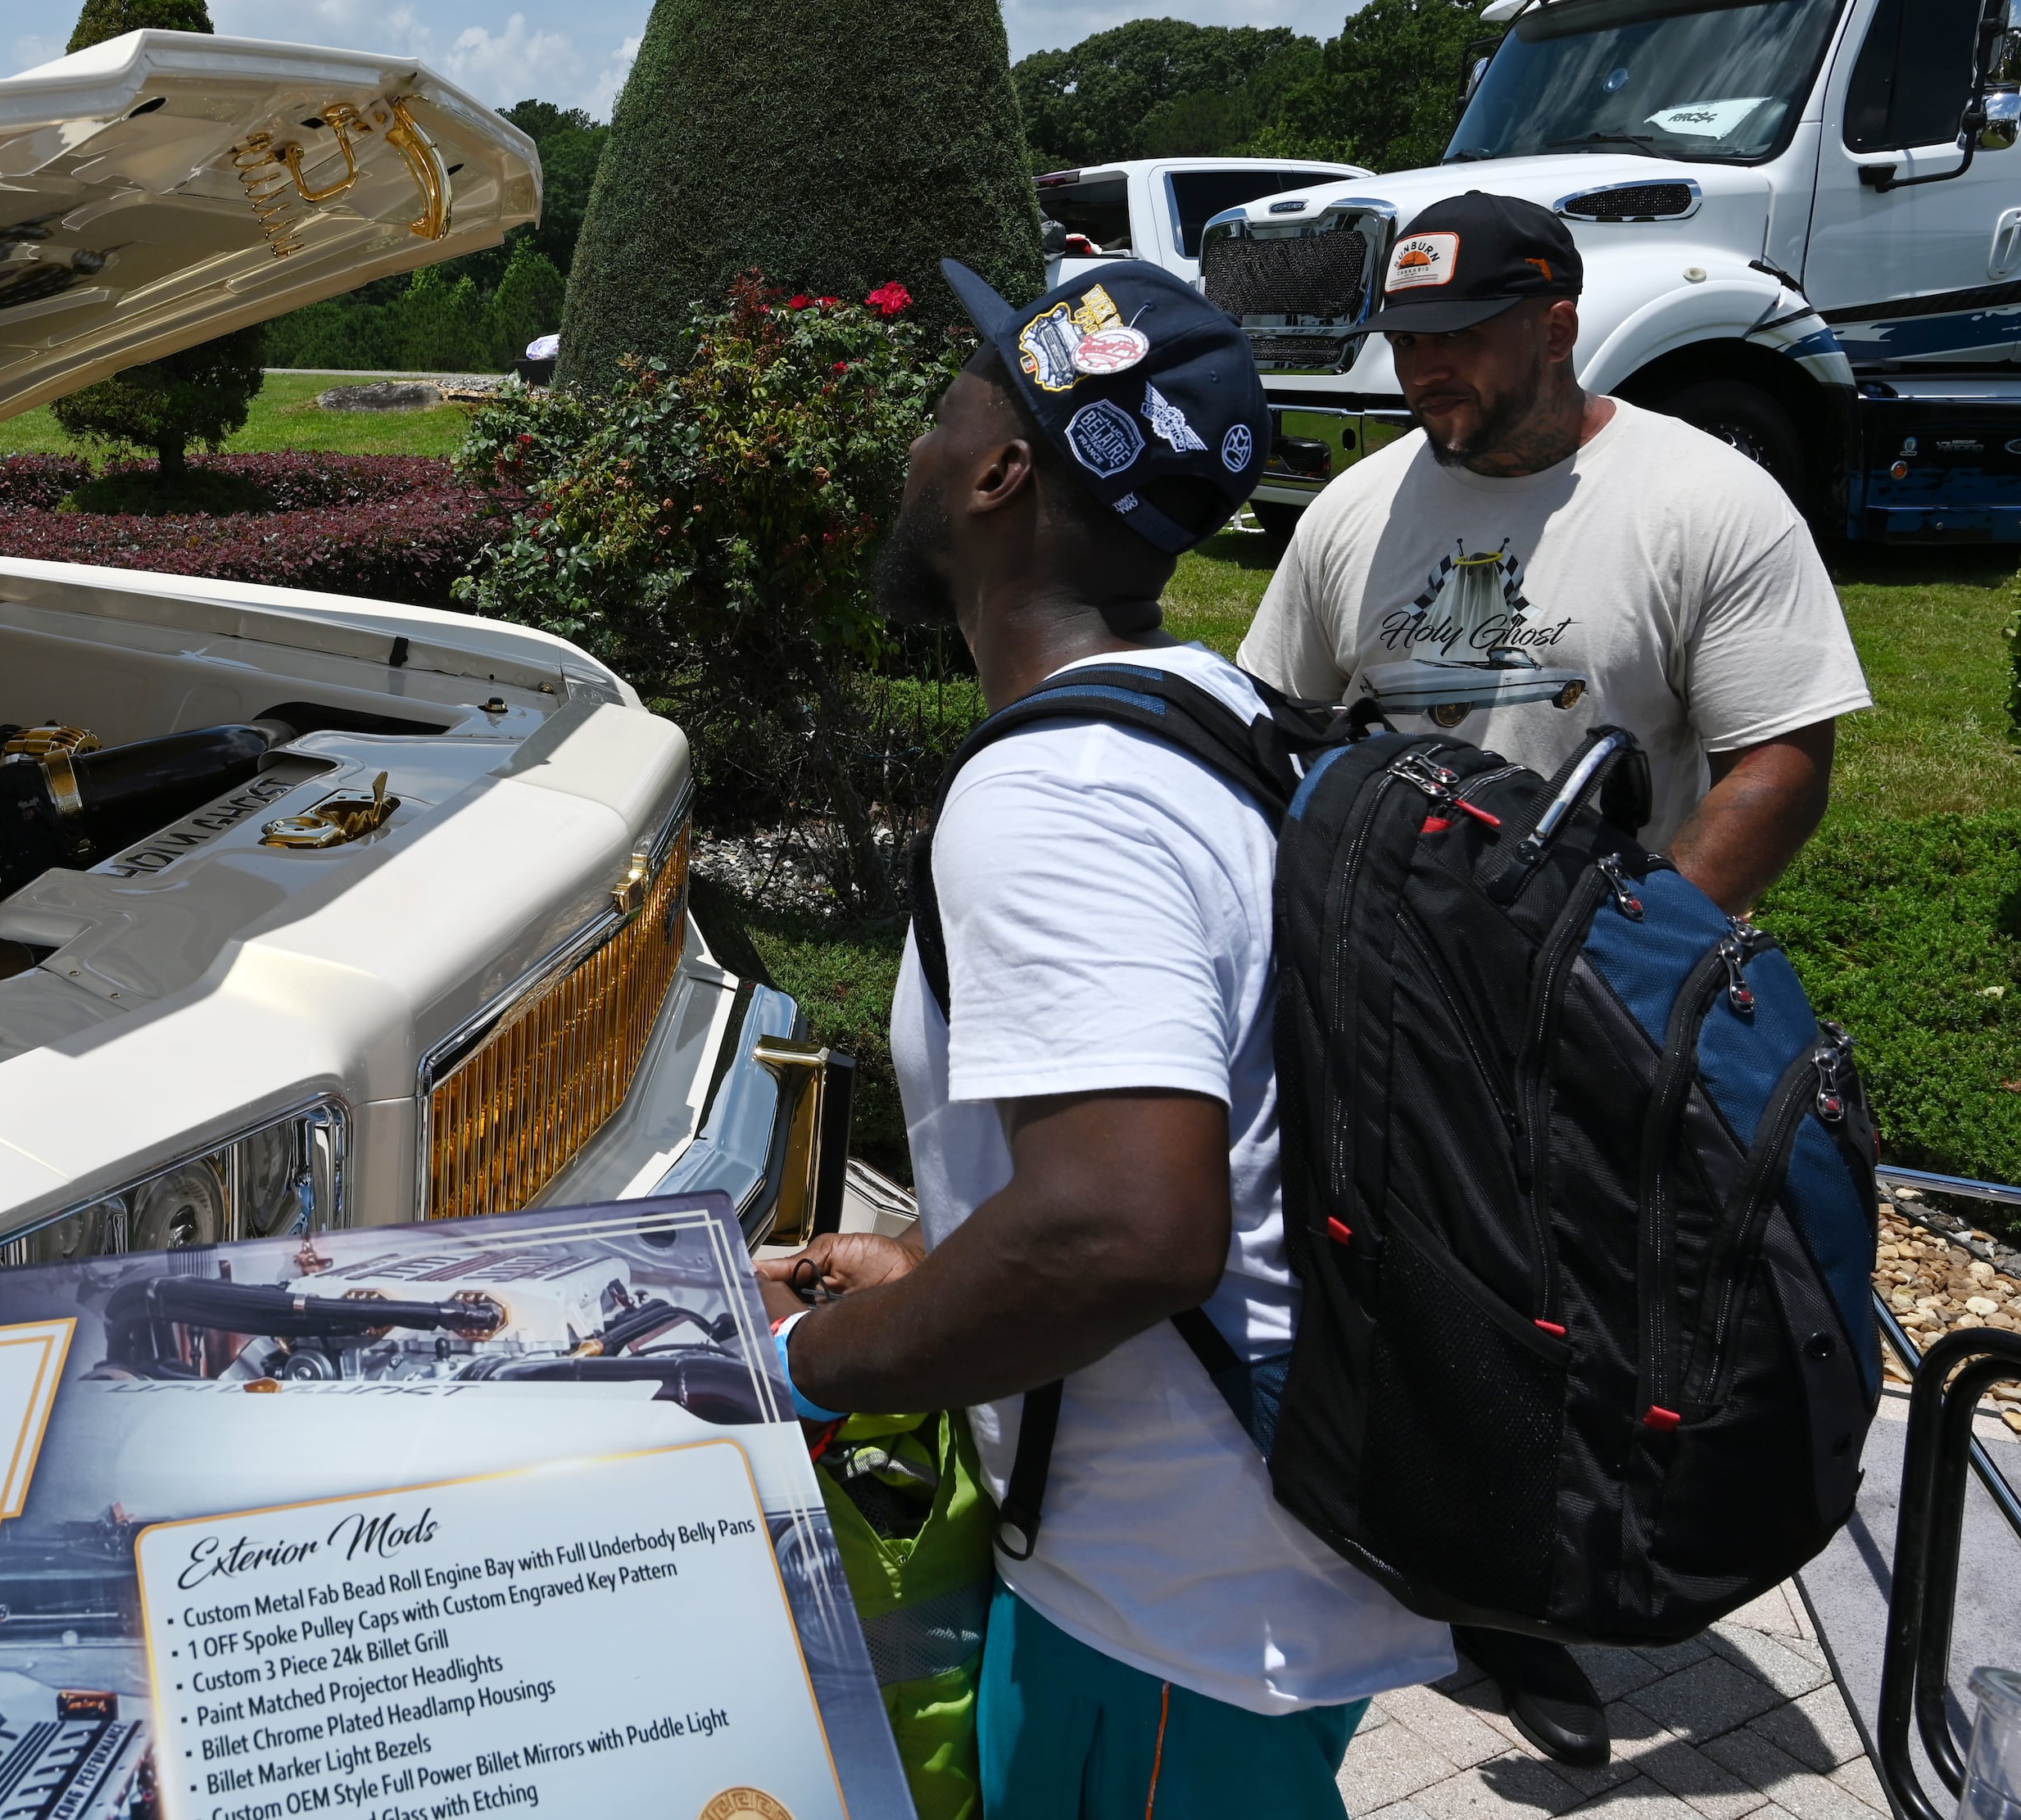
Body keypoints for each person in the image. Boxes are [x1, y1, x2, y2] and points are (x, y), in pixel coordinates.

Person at [764, 256, 1453, 1818]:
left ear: (1001, 474)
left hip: (1172, 1617)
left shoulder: (1057, 795)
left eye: (949, 407)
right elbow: (1224, 1128)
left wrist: (807, 1365)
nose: (919, 441)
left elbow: (1126, 1230)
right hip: (1248, 1573)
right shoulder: (1219, 718)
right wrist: (934, 1266)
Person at [1235, 191, 1869, 1764]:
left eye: (1458, 341)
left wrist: (1627, 973)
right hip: (1370, 995)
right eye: (1406, 343)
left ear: (1558, 322)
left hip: (1578, 1011)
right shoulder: (1356, 513)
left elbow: (1781, 759)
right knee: (1361, 1277)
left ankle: (1516, 1601)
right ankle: (1351, 1534)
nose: (1423, 373)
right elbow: (1274, 731)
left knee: (1544, 1312)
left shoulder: (1700, 500)